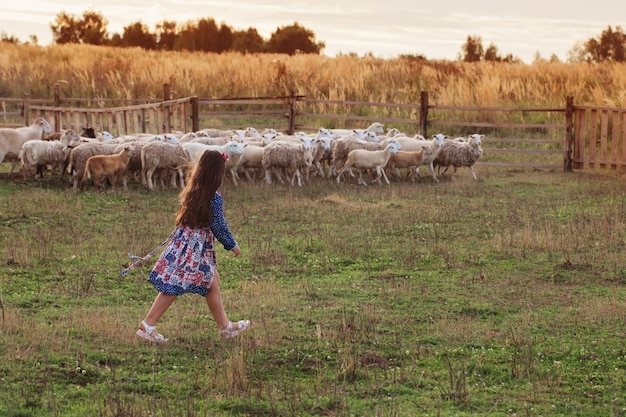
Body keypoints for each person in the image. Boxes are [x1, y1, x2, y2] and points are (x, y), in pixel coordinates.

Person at [133, 150, 250, 342]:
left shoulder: (194, 189)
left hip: (186, 244)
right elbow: (219, 226)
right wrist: (232, 245)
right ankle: (148, 324)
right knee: (175, 285)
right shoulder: (213, 198)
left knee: (212, 282)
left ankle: (224, 326)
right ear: (217, 174)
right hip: (193, 249)